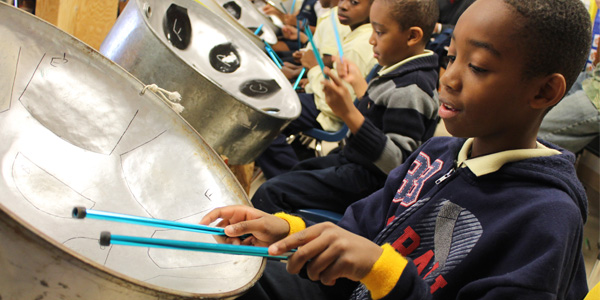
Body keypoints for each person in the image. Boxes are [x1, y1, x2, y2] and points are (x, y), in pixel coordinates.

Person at [201, 0, 592, 299]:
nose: (449, 78)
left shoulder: (545, 220)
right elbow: (363, 227)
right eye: (452, 57)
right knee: (233, 274)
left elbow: (380, 265)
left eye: (478, 67)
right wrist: (289, 232)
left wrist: (384, 271)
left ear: (543, 91)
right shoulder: (438, 153)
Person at [251, 0, 440, 214]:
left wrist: (347, 112)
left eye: (379, 32)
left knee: (271, 193)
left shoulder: (412, 89)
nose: (371, 40)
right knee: (295, 172)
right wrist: (359, 85)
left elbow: (396, 164)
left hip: (370, 182)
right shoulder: (398, 70)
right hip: (354, 161)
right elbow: (379, 115)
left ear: (412, 36)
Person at [256, 0, 377, 179]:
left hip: (326, 110)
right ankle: (295, 162)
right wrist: (309, 77)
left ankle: (291, 181)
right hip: (321, 100)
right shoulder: (354, 35)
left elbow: (338, 104)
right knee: (271, 106)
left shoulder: (357, 46)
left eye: (354, 2)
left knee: (263, 121)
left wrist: (313, 70)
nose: (343, 6)